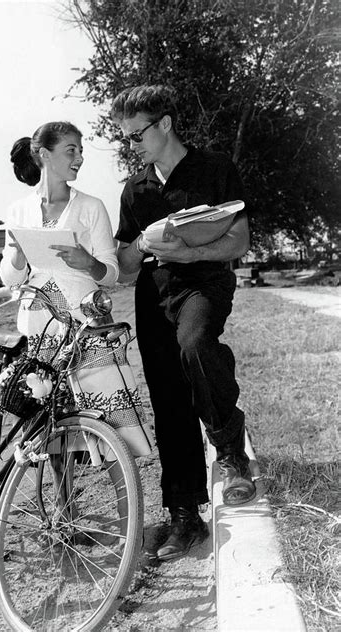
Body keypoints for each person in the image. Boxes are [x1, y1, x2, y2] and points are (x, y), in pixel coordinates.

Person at [110, 85, 256, 561]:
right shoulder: (135, 189)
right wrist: (144, 246)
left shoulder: (214, 168)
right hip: (153, 294)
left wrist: (188, 250)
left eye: (137, 135)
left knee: (195, 346)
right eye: (126, 138)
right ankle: (185, 515)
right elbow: (126, 263)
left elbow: (238, 242)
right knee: (168, 397)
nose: (131, 145)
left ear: (165, 124)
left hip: (204, 284)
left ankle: (230, 447)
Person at [0, 121, 153, 457]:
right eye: (72, 150)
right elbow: (10, 279)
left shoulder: (91, 207)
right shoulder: (18, 211)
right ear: (44, 155)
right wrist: (17, 254)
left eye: (81, 151)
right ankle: (61, 510)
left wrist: (87, 263)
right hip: (40, 334)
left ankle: (130, 507)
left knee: (114, 434)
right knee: (51, 437)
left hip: (87, 325)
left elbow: (112, 273)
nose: (80, 158)